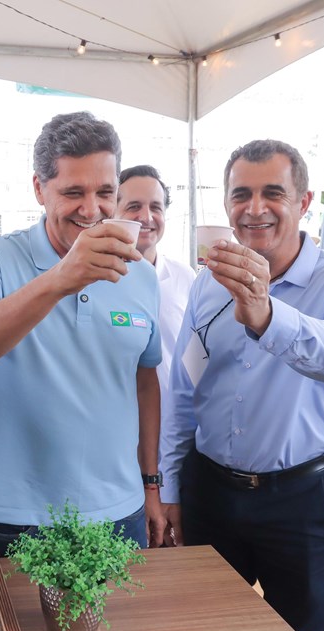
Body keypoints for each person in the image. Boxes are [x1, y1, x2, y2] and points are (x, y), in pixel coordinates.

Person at [160, 139, 324, 631]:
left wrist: (266, 314)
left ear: (304, 202)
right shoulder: (208, 282)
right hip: (211, 494)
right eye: (241, 194)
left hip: (303, 501)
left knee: (299, 630)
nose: (254, 208)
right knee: (208, 629)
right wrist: (170, 486)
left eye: (273, 193)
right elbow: (184, 390)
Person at [0, 112, 166, 555]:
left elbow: (145, 382)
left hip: (119, 511)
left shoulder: (141, 274)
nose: (92, 209)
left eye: (105, 192)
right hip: (17, 514)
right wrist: (60, 279)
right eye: (73, 192)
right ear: (39, 188)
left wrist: (150, 484)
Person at [115, 166, 195, 507]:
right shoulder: (94, 279)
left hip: (176, 443)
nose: (146, 217)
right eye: (133, 206)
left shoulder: (185, 278)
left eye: (156, 207)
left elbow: (197, 361)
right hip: (116, 448)